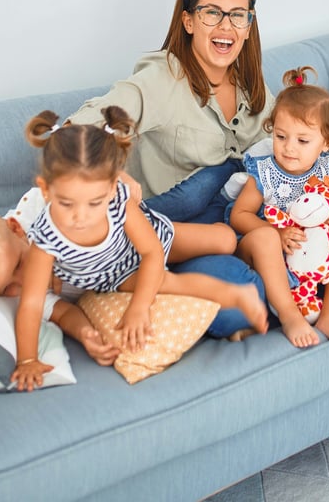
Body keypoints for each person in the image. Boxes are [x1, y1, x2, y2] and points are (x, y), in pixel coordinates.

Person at [64, 0, 329, 330]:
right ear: (188, 21)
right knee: (238, 302)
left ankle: (292, 289)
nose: (226, 26)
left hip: (261, 218)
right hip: (191, 230)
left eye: (237, 15)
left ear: (248, 25)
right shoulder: (159, 79)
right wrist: (113, 175)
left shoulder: (250, 80)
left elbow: (297, 138)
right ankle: (284, 292)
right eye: (212, 13)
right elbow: (74, 132)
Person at [14, 106, 268, 391]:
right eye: (66, 203)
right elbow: (31, 304)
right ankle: (237, 294)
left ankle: (225, 217)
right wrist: (27, 360)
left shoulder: (119, 202)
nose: (80, 217)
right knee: (168, 282)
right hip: (117, 276)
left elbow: (152, 252)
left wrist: (139, 306)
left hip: (148, 244)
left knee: (225, 241)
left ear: (112, 189)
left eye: (94, 203)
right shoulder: (44, 241)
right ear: (45, 190)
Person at [229, 66, 329, 349]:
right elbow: (238, 216)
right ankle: (289, 315)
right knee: (265, 238)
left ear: (326, 142)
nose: (289, 148)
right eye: (281, 137)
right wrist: (276, 233)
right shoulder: (264, 173)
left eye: (302, 140)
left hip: (309, 253)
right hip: (265, 251)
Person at [0, 201, 120, 368]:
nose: (23, 281)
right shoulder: (20, 298)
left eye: (18, 264)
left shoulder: (40, 211)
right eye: (6, 288)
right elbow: (64, 314)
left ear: (16, 229)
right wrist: (85, 333)